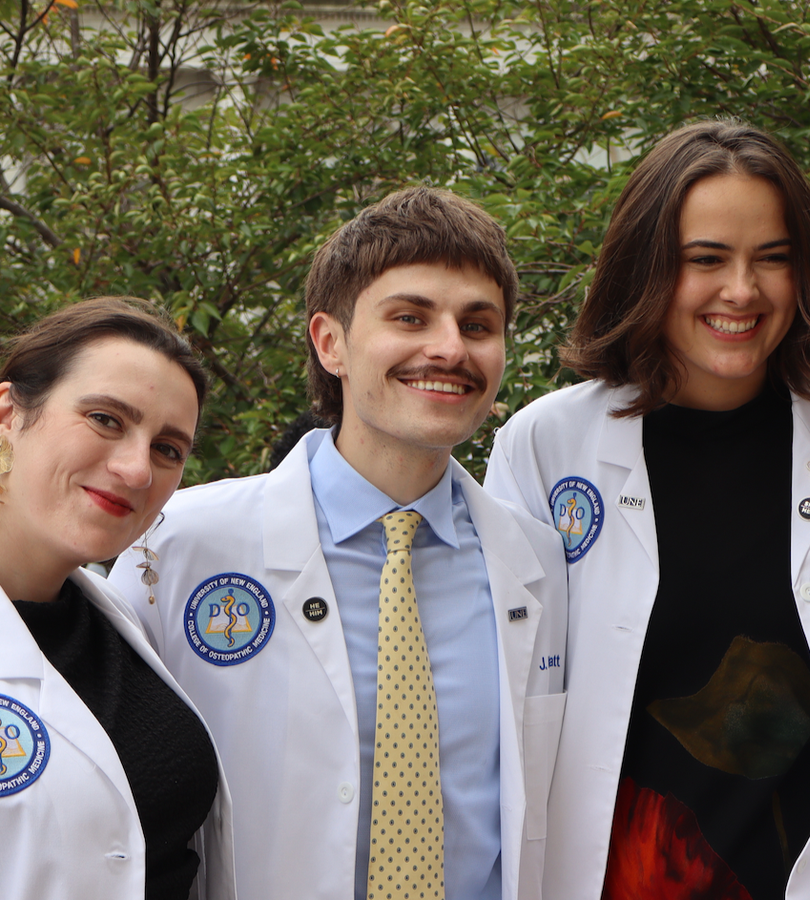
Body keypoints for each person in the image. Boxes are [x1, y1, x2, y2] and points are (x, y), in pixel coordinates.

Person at [484, 120, 810, 900]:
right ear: (648, 268)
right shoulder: (548, 446)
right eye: (706, 259)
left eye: (773, 258)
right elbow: (503, 695)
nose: (742, 290)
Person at [108, 188, 568, 900]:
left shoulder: (539, 562)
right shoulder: (178, 547)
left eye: (478, 325)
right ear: (330, 343)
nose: (450, 348)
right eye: (410, 317)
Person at [0, 297, 235, 899]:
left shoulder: (115, 622)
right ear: (8, 416)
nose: (137, 470)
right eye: (105, 419)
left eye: (168, 449)